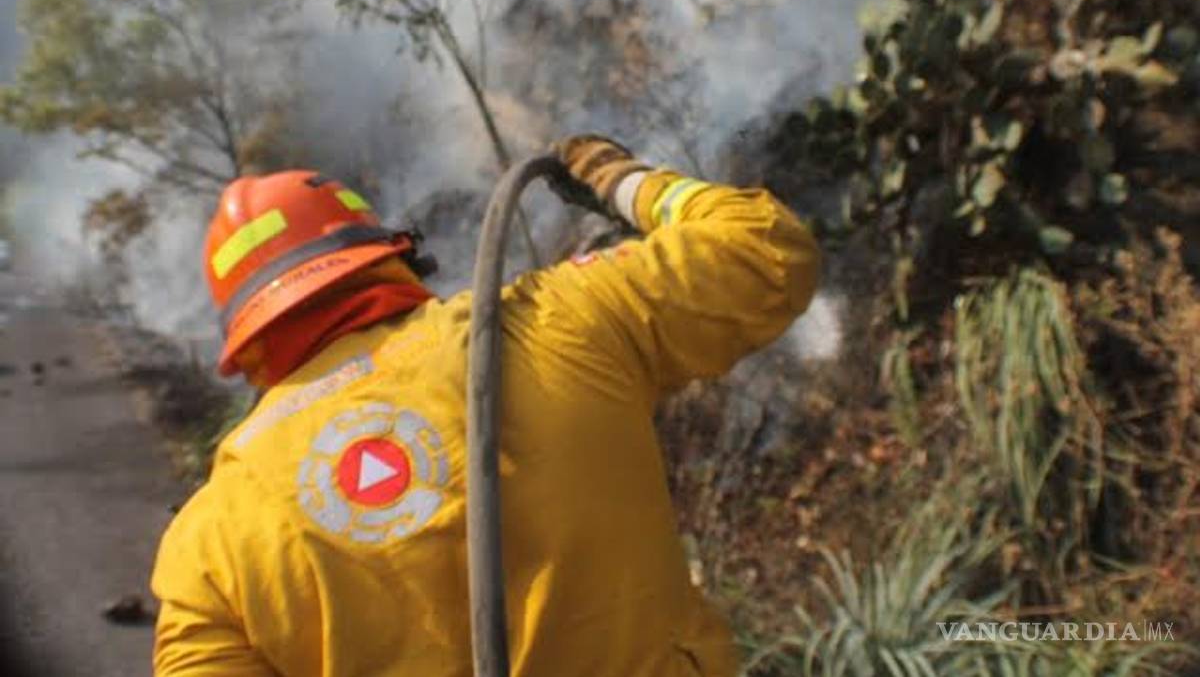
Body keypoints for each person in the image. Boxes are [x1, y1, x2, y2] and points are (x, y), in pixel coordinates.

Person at [151, 134, 821, 676]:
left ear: (249, 341)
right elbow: (764, 247)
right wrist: (619, 178)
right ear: (388, 256)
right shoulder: (559, 321)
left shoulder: (209, 545)